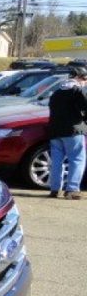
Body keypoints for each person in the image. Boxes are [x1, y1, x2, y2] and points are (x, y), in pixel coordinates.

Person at [47, 66, 87, 199]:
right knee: (77, 159)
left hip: (55, 131)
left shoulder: (57, 92)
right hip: (73, 131)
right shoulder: (77, 90)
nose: (85, 82)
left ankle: (54, 189)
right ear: (78, 78)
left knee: (57, 161)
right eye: (85, 79)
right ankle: (72, 190)